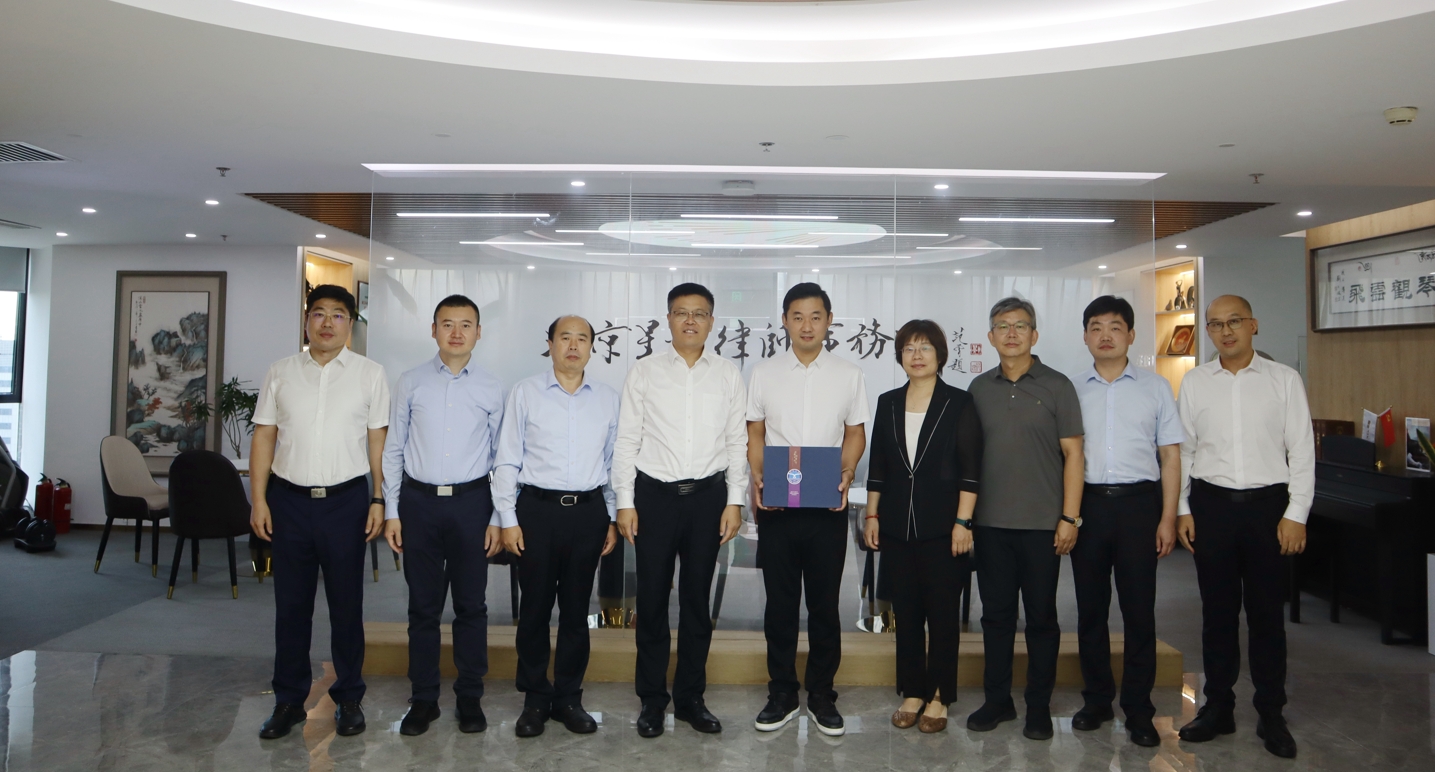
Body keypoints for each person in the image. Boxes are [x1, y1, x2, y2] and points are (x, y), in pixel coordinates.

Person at [1176, 295, 1313, 760]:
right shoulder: (1195, 382)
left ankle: (1271, 713)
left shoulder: (1284, 380)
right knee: (1217, 615)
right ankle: (1218, 707)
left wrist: (1296, 514)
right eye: (1216, 324)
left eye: (1234, 321)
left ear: (1253, 325)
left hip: (1268, 510)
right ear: (1208, 332)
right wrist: (1182, 508)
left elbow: (1302, 451)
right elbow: (1185, 451)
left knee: (1266, 616)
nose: (1226, 331)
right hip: (1211, 508)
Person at [250, 284, 390, 740]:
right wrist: (259, 499)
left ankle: (348, 698)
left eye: (338, 314)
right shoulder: (281, 372)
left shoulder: (370, 374)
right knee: (291, 607)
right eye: (319, 313)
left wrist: (378, 497)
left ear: (350, 323)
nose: (327, 322)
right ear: (307, 320)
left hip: (346, 502)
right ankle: (289, 701)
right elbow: (264, 436)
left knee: (347, 606)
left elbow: (377, 442)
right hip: (288, 501)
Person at [613, 283, 748, 738]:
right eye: (681, 312)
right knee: (651, 600)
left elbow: (737, 442)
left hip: (708, 498)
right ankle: (652, 700)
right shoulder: (644, 372)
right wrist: (625, 502)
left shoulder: (727, 374)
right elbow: (627, 440)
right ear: (668, 319)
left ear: (712, 322)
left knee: (696, 601)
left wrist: (734, 501)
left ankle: (691, 698)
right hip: (654, 498)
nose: (690, 320)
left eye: (700, 313)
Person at [746, 282, 868, 737]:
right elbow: (754, 432)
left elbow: (855, 432)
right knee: (779, 605)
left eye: (816, 316)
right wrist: (758, 476)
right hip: (777, 505)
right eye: (797, 316)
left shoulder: (848, 374)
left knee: (824, 605)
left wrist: (847, 470)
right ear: (784, 321)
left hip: (826, 506)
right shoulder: (764, 372)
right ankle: (781, 693)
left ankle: (821, 694)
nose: (806, 325)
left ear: (829, 320)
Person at [492, 315, 621, 738]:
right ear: (550, 344)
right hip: (537, 511)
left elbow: (613, 463)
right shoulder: (526, 392)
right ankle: (534, 698)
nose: (573, 346)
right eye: (565, 337)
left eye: (582, 338)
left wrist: (611, 517)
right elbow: (507, 459)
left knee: (576, 611)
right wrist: (508, 519)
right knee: (534, 610)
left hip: (587, 513)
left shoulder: (607, 398)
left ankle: (568, 697)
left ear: (591, 347)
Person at [381, 295, 504, 736]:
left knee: (472, 605)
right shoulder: (411, 381)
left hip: (473, 504)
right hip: (419, 505)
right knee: (423, 607)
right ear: (433, 330)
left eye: (465, 324)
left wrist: (497, 517)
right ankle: (424, 699)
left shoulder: (492, 387)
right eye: (447, 323)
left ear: (478, 332)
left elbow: (502, 457)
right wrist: (392, 510)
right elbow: (393, 449)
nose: (456, 332)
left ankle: (470, 697)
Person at [966, 296, 1084, 741]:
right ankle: (998, 700)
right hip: (990, 524)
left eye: (1020, 326)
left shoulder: (1057, 386)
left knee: (1041, 619)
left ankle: (1038, 706)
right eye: (1002, 326)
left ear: (1034, 335)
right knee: (995, 617)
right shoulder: (979, 388)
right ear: (991, 336)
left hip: (1042, 525)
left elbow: (1074, 455)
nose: (1011, 333)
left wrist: (1070, 517)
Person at [1070, 296, 1183, 748]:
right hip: (1089, 506)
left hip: (1140, 506)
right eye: (1096, 327)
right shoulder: (1072, 389)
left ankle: (1139, 709)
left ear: (1131, 335)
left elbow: (1170, 456)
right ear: (1085, 336)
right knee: (1090, 610)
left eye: (1115, 327)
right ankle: (1097, 700)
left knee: (1139, 611)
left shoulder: (1156, 388)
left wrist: (1168, 517)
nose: (1105, 335)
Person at [862, 319, 982, 734]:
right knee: (907, 615)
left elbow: (971, 470)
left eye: (925, 348)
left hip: (944, 529)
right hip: (897, 528)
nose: (917, 355)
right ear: (900, 356)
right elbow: (878, 465)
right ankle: (912, 692)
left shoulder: (959, 402)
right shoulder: (888, 402)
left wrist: (963, 522)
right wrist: (872, 514)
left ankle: (939, 696)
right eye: (909, 348)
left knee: (943, 617)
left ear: (940, 356)